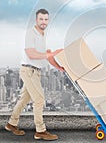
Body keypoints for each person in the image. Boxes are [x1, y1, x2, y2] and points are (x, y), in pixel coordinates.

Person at [5, 8, 64, 141]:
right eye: (41, 19)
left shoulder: (44, 36)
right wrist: (51, 54)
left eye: (46, 19)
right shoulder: (30, 34)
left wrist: (59, 67)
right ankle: (40, 131)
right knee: (39, 99)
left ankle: (11, 123)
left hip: (36, 71)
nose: (43, 22)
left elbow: (47, 56)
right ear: (36, 20)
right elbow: (31, 54)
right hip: (29, 70)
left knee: (25, 99)